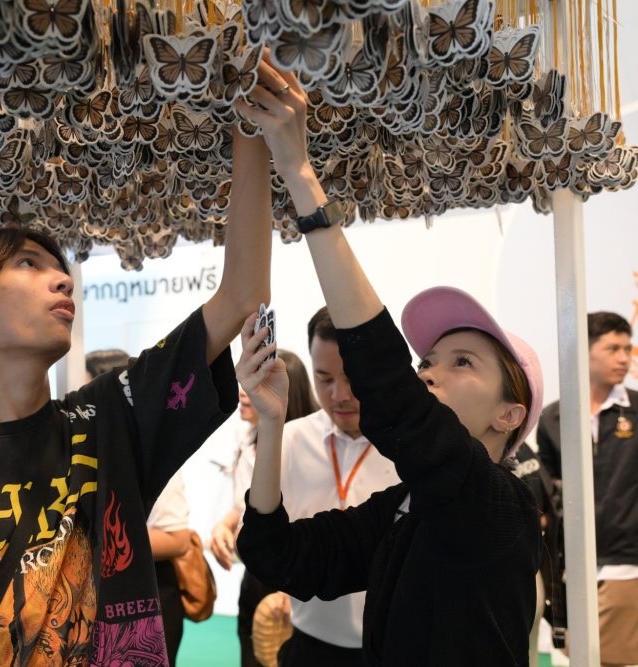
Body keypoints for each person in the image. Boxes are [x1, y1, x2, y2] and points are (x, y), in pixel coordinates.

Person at [0, 129, 275, 665]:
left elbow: (242, 297)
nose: (62, 280)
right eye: (28, 264)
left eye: (59, 268)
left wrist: (253, 131)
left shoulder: (105, 421)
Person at [234, 60, 543, 666]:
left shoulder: (502, 506)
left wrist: (300, 175)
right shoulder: (407, 507)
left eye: (462, 362)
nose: (428, 371)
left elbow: (389, 387)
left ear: (509, 414)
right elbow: (280, 557)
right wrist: (271, 425)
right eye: (428, 360)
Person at [271, 307, 400, 667]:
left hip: (394, 646)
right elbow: (264, 532)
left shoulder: (411, 445)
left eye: (352, 377)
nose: (339, 395)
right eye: (324, 378)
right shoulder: (290, 439)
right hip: (310, 645)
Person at [536, 311, 638, 667]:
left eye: (627, 348)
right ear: (584, 350)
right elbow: (549, 487)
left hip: (625, 561)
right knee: (578, 655)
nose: (624, 358)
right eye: (612, 348)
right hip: (570, 565)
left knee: (610, 659)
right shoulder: (553, 417)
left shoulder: (636, 410)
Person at [210, 350, 317, 667]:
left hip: (295, 582)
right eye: (245, 378)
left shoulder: (306, 446)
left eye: (258, 380)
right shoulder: (248, 439)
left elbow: (311, 517)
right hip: (255, 575)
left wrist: (291, 587)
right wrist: (224, 525)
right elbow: (244, 503)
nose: (244, 391)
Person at [86, 349, 192, 665]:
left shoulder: (152, 452)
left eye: (86, 391)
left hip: (149, 599)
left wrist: (91, 543)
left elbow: (177, 538)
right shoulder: (96, 449)